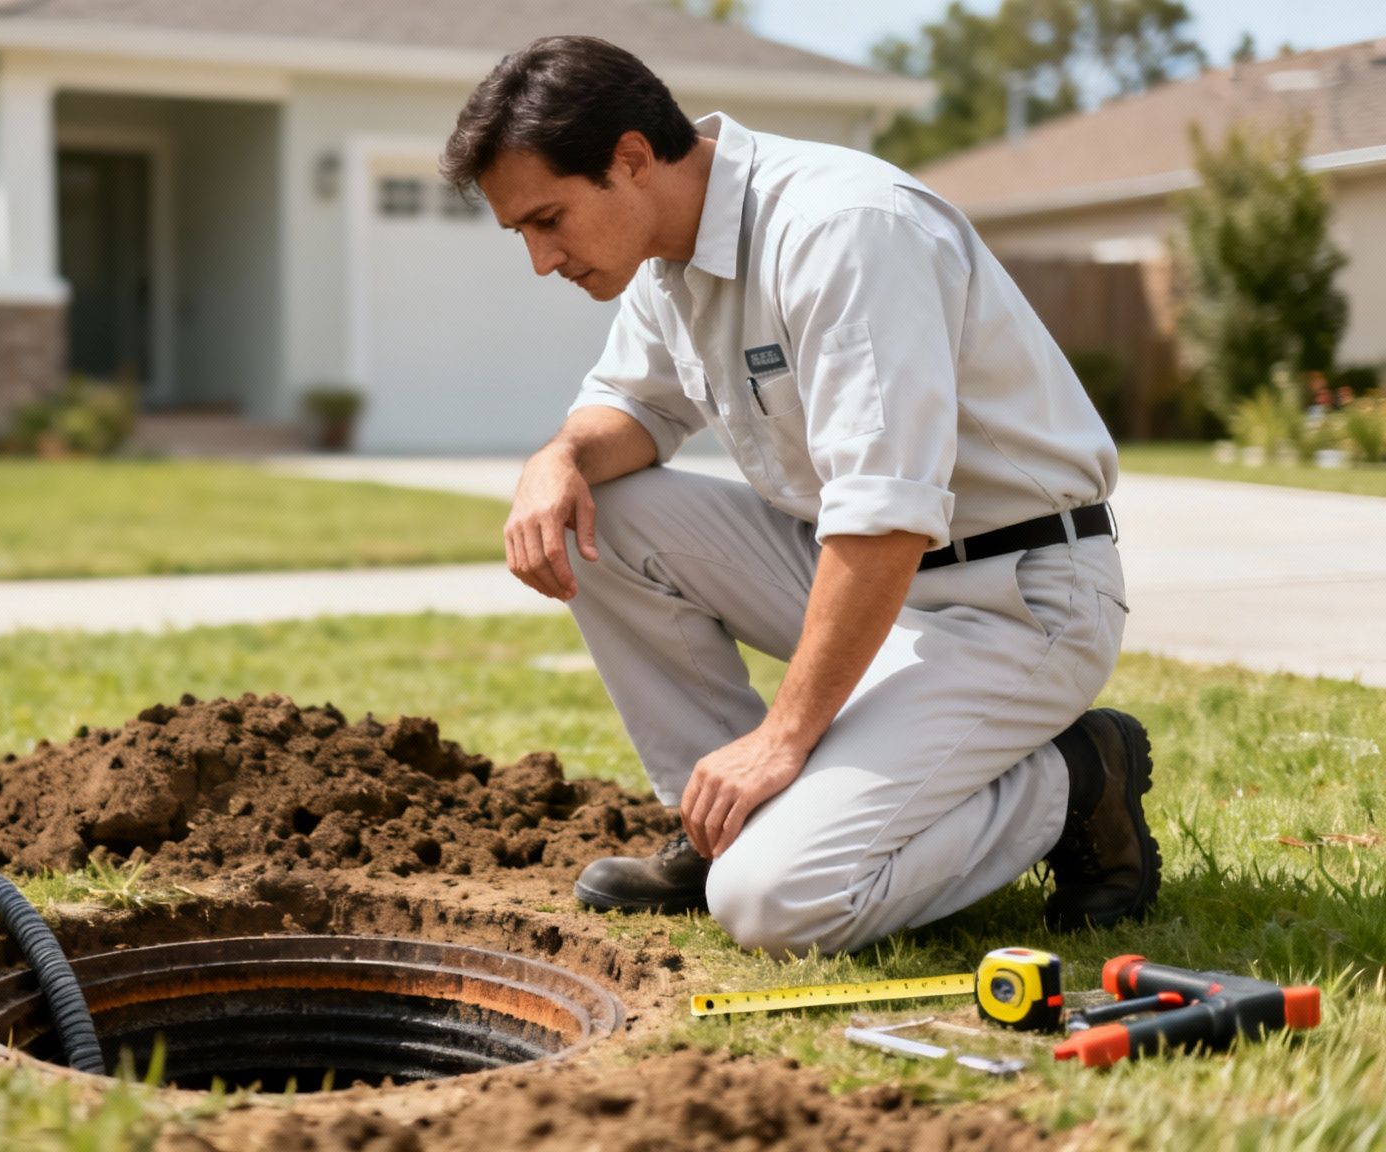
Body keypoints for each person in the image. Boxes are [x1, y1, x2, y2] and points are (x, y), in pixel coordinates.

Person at [439, 36, 1159, 957]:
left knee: (777, 906)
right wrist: (558, 457)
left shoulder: (845, 230)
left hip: (1013, 594)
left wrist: (785, 737)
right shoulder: (670, 255)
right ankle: (721, 828)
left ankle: (1072, 778)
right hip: (864, 577)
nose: (543, 259)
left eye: (548, 220)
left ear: (629, 159)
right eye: (522, 234)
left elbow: (886, 514)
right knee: (599, 513)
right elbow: (631, 407)